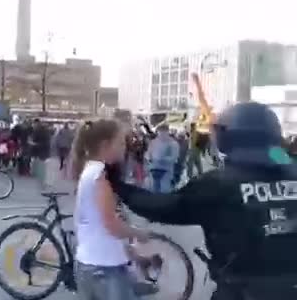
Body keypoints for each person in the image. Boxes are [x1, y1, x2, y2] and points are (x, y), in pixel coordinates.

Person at [108, 102, 297, 300]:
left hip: (242, 291)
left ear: (228, 137)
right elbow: (283, 160)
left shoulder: (218, 184)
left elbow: (160, 207)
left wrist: (117, 184)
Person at [70, 119, 150, 300]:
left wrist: (132, 255)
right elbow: (110, 224)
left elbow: (96, 224)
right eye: (121, 142)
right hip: (105, 269)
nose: (125, 147)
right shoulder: (99, 175)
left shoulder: (89, 170)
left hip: (90, 264)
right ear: (106, 145)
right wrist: (138, 233)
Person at [146, 123, 179, 193]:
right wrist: (150, 158)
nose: (161, 134)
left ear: (167, 131)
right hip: (154, 169)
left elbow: (174, 157)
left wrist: (162, 159)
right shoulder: (153, 142)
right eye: (160, 132)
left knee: (164, 189)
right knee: (154, 189)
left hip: (166, 170)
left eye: (163, 132)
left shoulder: (172, 143)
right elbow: (148, 154)